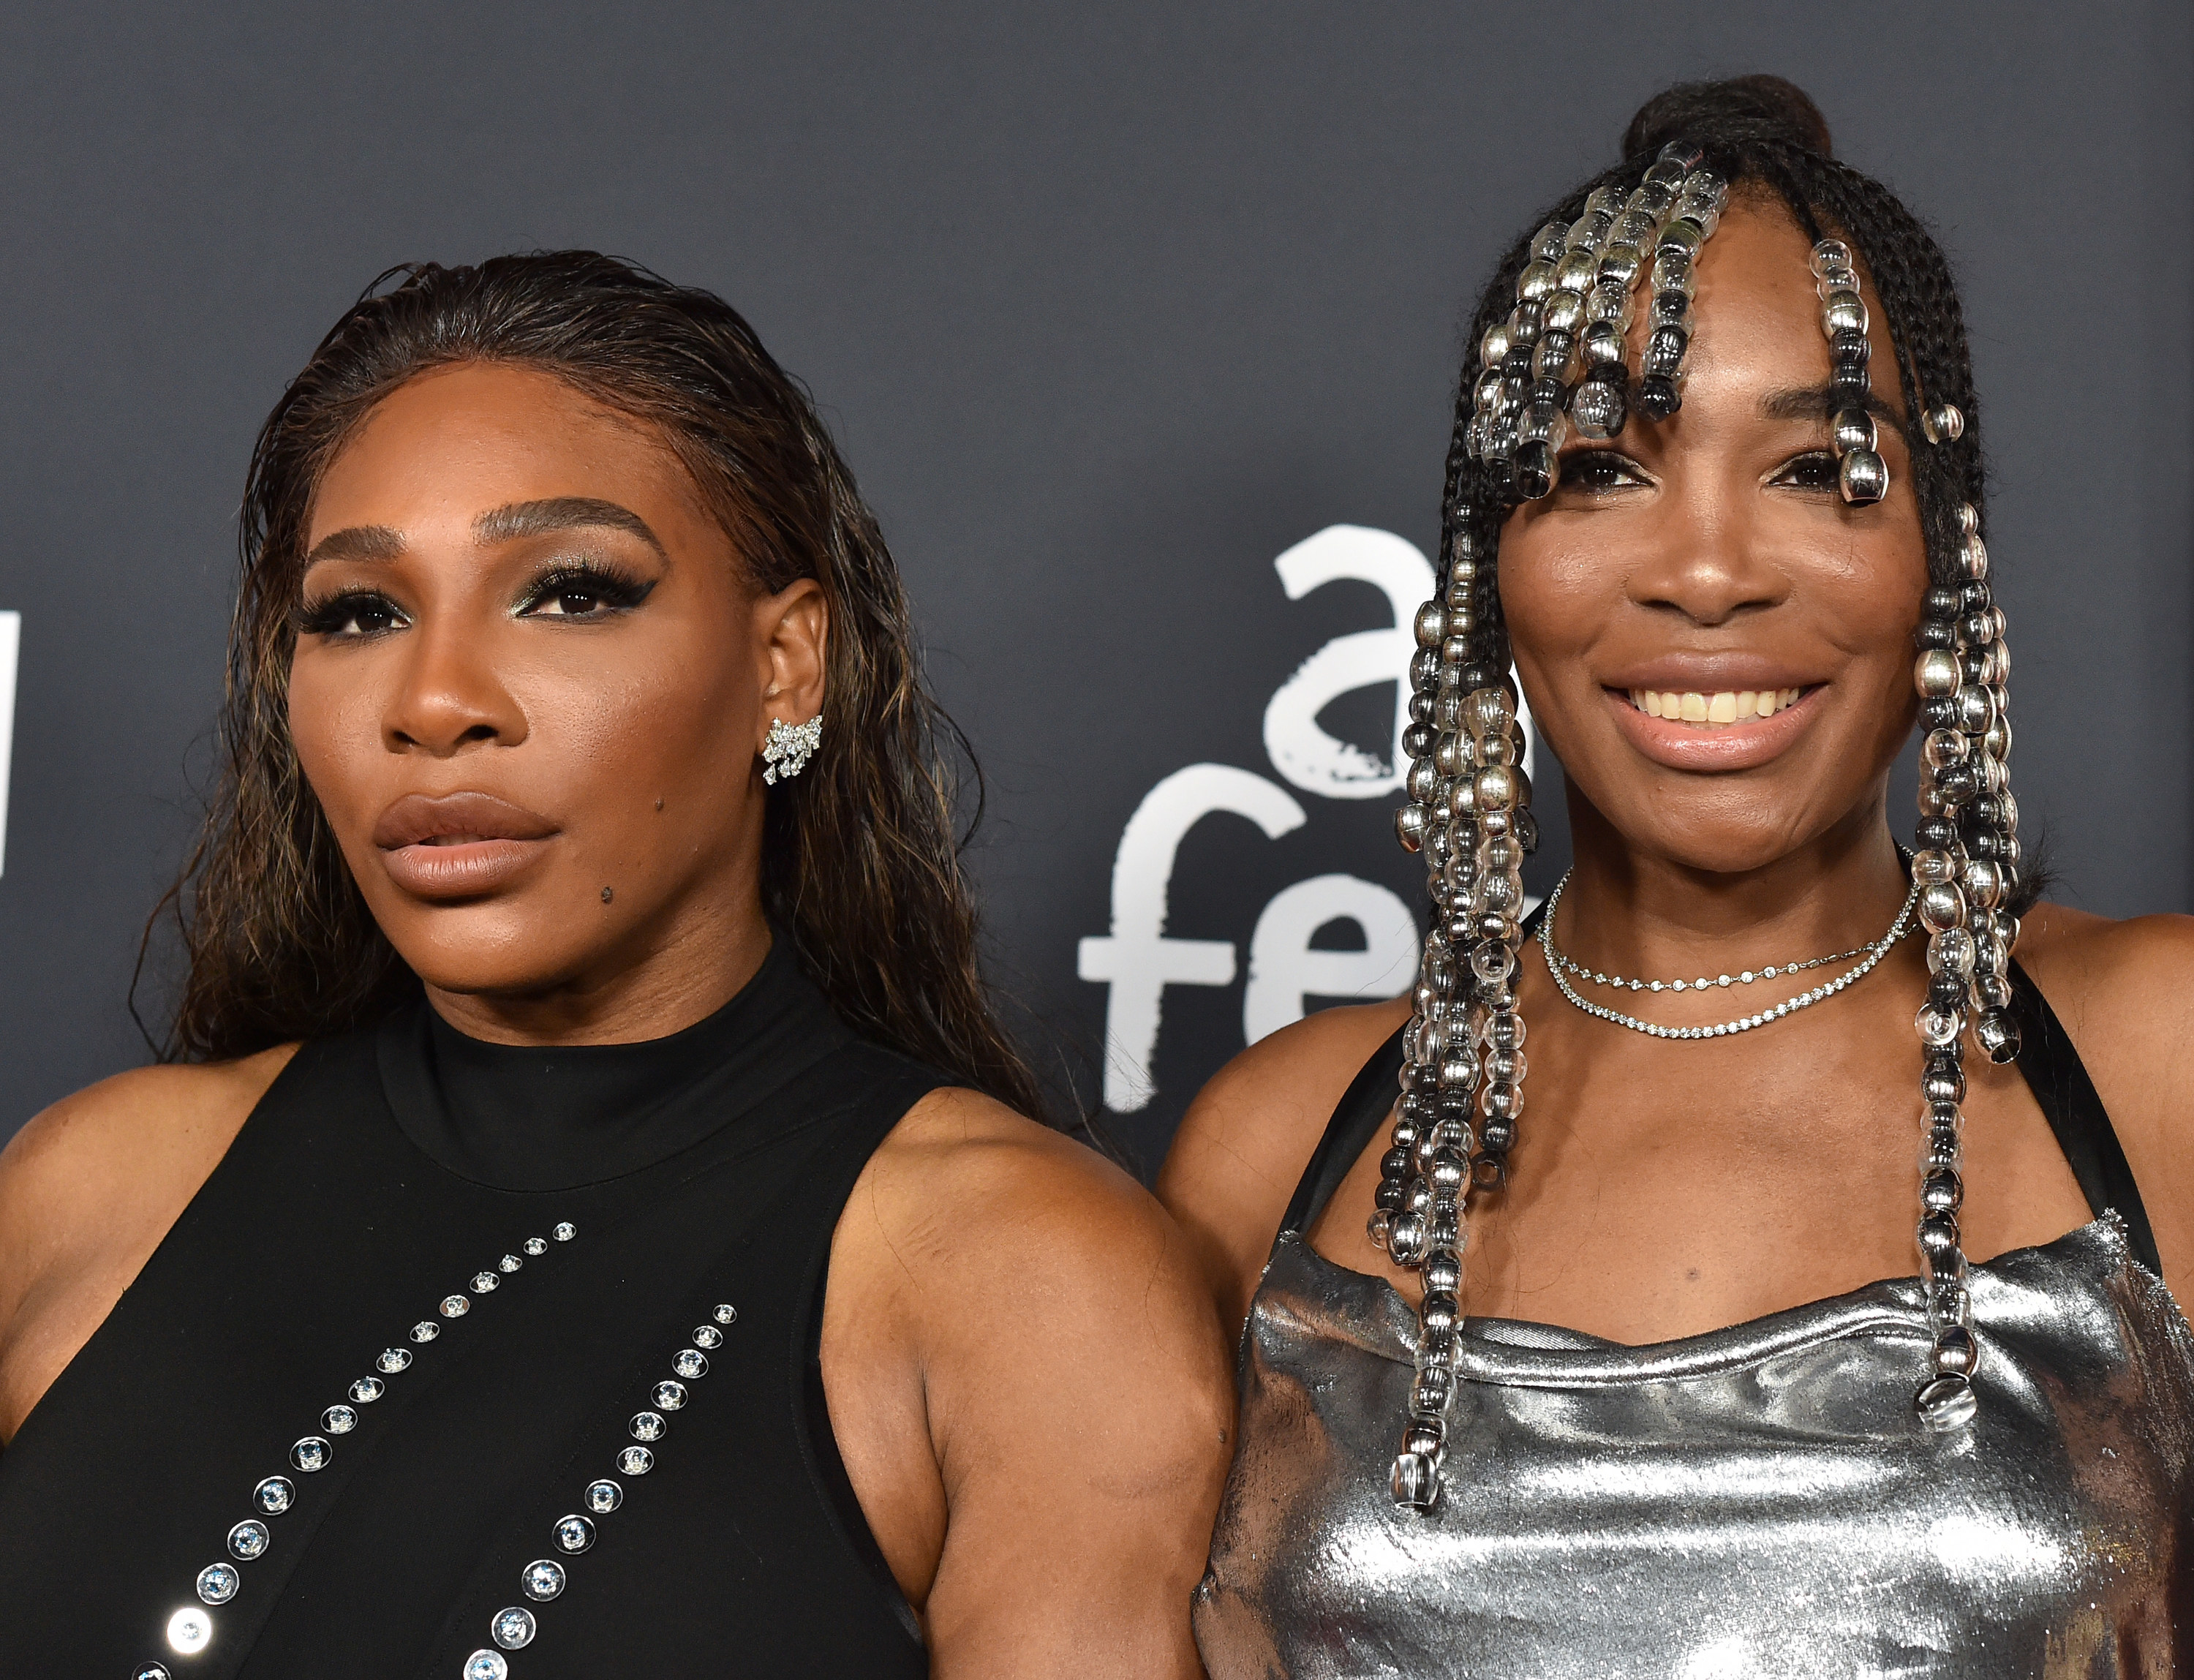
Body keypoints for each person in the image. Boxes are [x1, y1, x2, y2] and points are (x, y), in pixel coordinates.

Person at [0, 252, 1230, 1678]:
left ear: (785, 663)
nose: (436, 701)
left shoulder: (1021, 1281)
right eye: (359, 613)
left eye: (570, 592)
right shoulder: (91, 1193)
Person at [1162, 77, 2194, 1677]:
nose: (1707, 572)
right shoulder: (1278, 1146)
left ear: (1947, 554)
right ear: (1487, 568)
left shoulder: (2159, 1059)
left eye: (1817, 474)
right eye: (1597, 470)